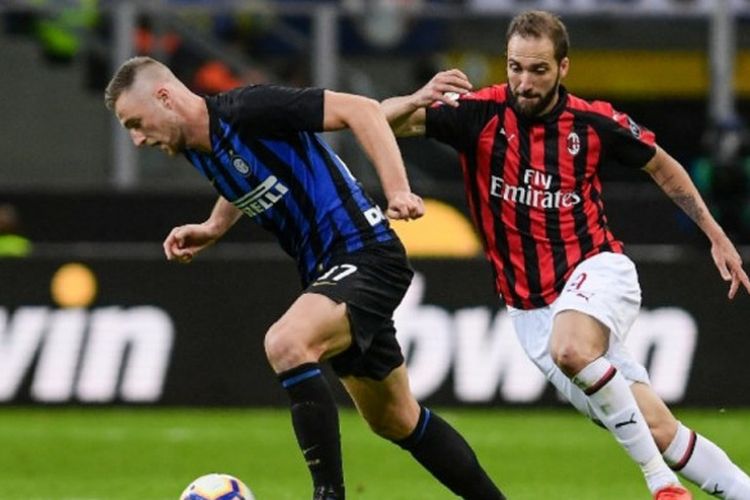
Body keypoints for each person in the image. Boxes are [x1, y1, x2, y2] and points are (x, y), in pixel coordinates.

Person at [381, 10, 750, 500]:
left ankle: (661, 486)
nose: (524, 82)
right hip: (530, 312)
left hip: (597, 269)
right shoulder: (478, 114)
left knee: (572, 349)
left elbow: (663, 166)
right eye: (515, 68)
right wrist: (416, 99)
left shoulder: (593, 122)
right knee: (659, 430)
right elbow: (369, 119)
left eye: (538, 70)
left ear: (563, 68)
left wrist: (715, 234)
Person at [104, 56, 505, 500]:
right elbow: (251, 173)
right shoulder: (200, 145)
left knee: (286, 342)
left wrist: (397, 190)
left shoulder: (248, 108)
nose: (137, 139)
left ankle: (327, 495)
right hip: (330, 268)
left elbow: (360, 111)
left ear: (164, 97)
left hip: (365, 253)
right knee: (395, 419)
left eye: (135, 123)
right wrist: (214, 227)